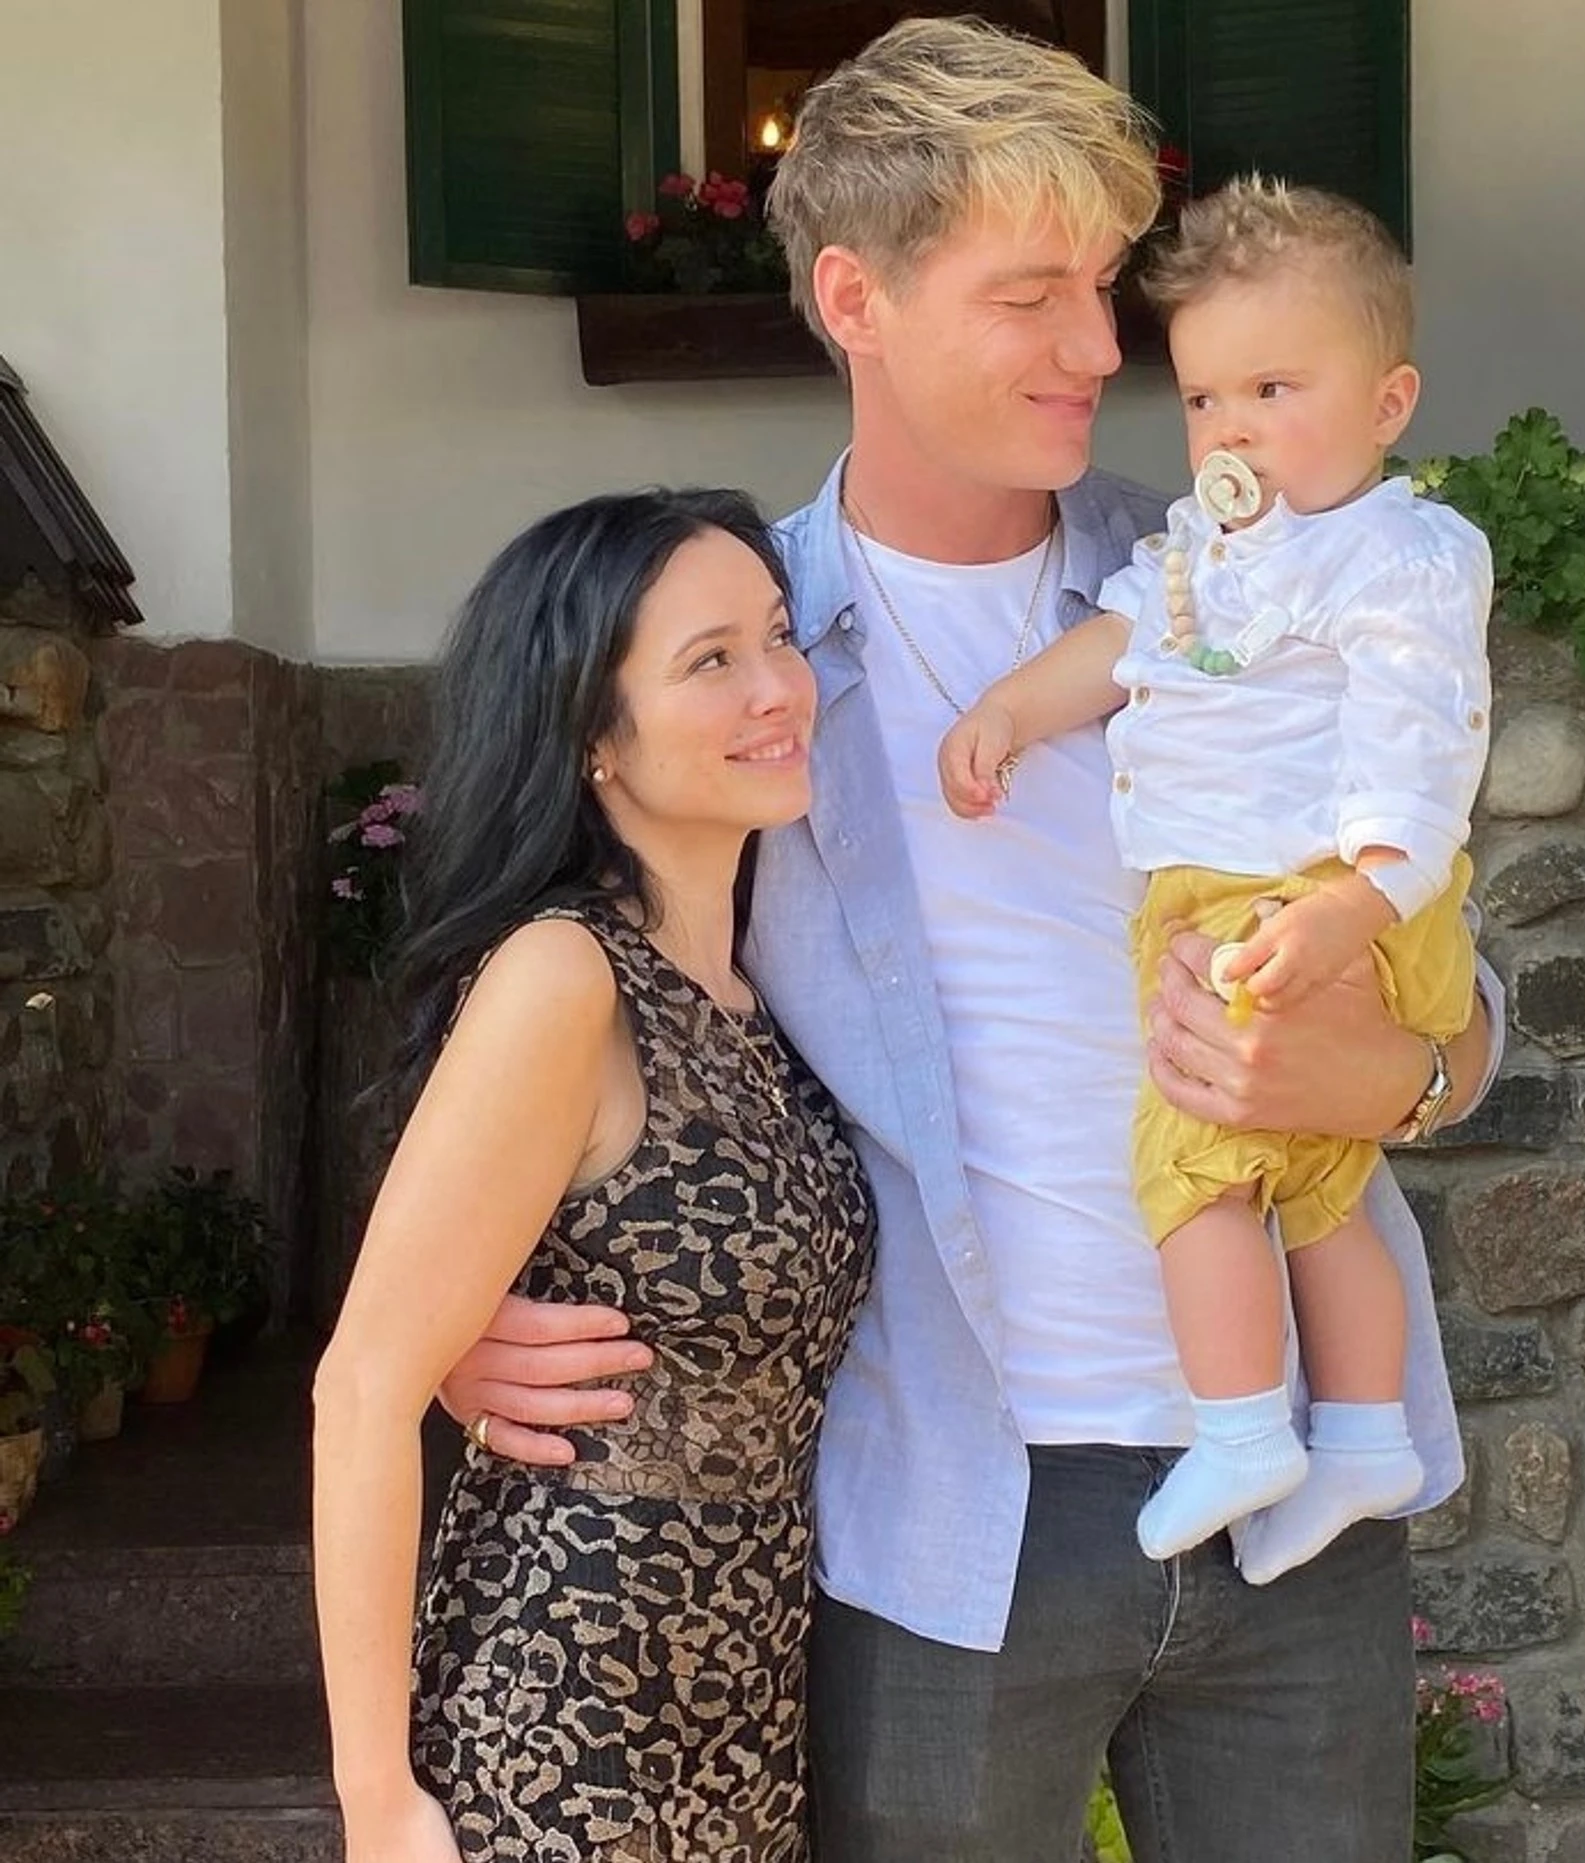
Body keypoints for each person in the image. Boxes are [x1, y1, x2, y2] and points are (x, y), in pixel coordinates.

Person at [439, 20, 1507, 1861]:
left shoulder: (1248, 576)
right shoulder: (739, 656)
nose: (1101, 348)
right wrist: (450, 1309)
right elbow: (545, 973)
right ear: (855, 299)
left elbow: (1460, 996)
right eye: (1034, 295)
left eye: (1104, 289)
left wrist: (1398, 1076)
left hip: (1301, 1487)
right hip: (952, 1514)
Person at [937, 176, 1493, 1575]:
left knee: (1190, 1166)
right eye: (1203, 399)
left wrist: (1353, 904)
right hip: (1259, 892)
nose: (1231, 428)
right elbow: (1120, 642)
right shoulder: (1205, 552)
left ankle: (1242, 1425)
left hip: (1309, 893)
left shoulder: (1396, 556)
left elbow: (1423, 745)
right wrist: (1012, 708)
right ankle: (1363, 1431)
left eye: (1273, 389)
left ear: (1389, 402)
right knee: (1317, 1183)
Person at [311, 490, 875, 1863]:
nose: (777, 687)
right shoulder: (566, 975)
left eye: (779, 637)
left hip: (740, 1700)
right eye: (710, 659)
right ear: (592, 737)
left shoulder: (748, 988)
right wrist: (376, 1798)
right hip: (568, 1698)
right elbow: (362, 1387)